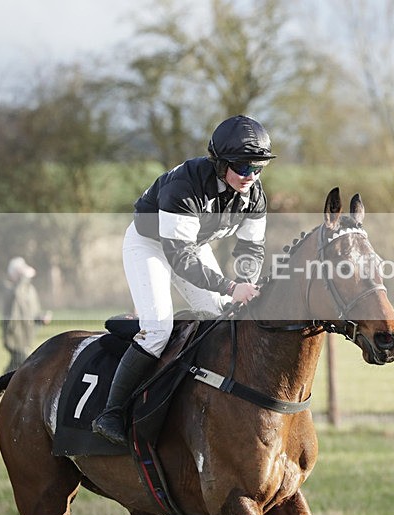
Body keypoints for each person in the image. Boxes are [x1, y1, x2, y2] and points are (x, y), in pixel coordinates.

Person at [93, 115, 274, 445]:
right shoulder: (185, 187)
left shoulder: (255, 195)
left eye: (258, 168)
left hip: (191, 247)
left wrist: (246, 281)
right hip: (150, 245)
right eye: (243, 168)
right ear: (220, 163)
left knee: (221, 318)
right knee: (158, 330)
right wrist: (230, 286)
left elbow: (250, 247)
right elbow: (180, 258)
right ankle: (112, 412)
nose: (251, 176)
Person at [1, 257, 52, 373]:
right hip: (15, 337)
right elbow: (16, 296)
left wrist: (42, 318)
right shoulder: (9, 288)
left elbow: (34, 312)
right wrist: (24, 277)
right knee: (27, 367)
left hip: (27, 337)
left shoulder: (30, 290)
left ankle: (0, 388)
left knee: (14, 369)